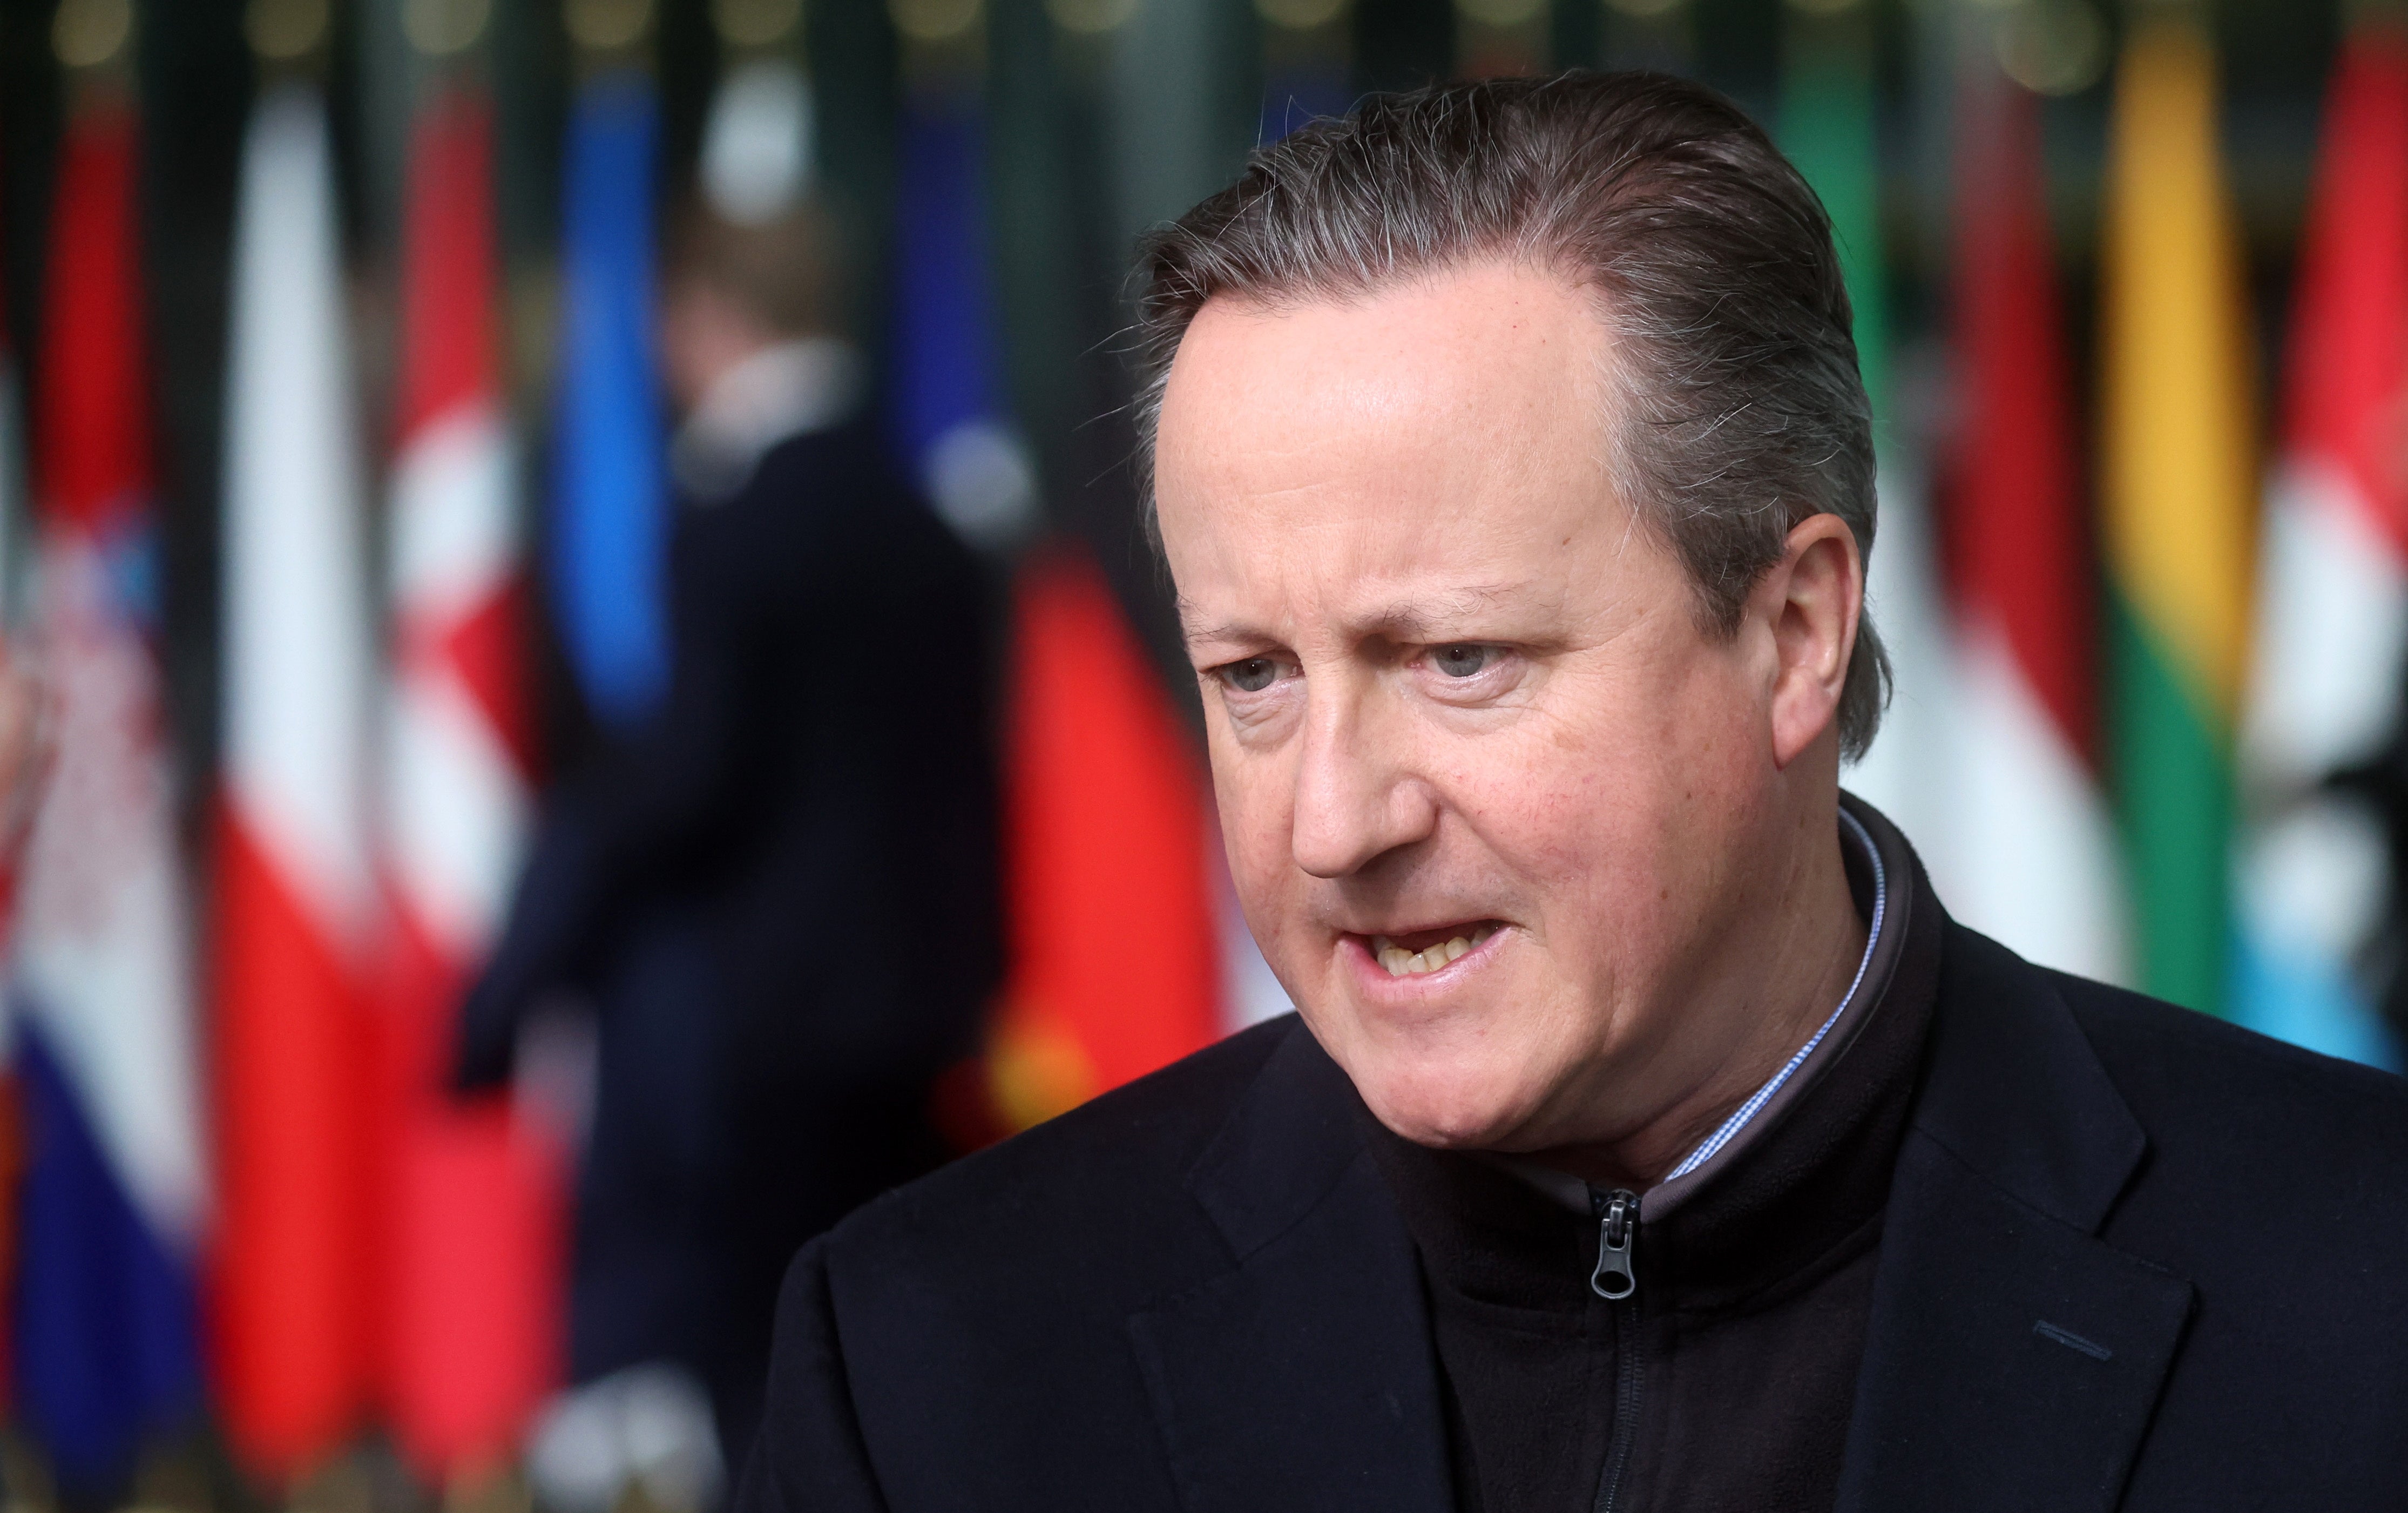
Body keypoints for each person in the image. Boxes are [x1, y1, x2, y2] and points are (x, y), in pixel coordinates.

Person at [736, 72, 2408, 1512]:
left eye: (1458, 660)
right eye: (1253, 676)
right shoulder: (927, 1362)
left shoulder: (2360, 1292)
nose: (1332, 825)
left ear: (1791, 630)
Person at [456, 201, 1002, 1491]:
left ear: (706, 323)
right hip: (925, 1013)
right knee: (890, 1333)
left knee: (766, 1359)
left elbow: (695, 777)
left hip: (767, 1034)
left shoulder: (739, 524)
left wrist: (531, 959)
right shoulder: (929, 518)